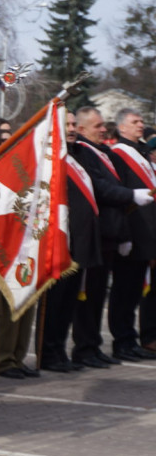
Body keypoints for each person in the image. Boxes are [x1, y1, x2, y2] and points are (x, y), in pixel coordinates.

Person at [71, 107, 141, 368]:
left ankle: (93, 346)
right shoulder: (84, 152)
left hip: (112, 233)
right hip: (96, 235)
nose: (104, 129)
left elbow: (118, 185)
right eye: (98, 126)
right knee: (87, 297)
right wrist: (131, 196)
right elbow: (101, 188)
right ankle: (84, 348)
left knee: (98, 294)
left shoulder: (105, 153)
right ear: (81, 129)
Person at [37, 110, 101, 372]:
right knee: (54, 303)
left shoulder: (80, 155)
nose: (73, 128)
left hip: (78, 243)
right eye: (68, 124)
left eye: (75, 124)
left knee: (68, 303)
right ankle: (48, 353)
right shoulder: (48, 156)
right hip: (57, 242)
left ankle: (59, 351)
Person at [106, 108, 156, 361]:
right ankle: (122, 341)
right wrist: (123, 235)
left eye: (141, 120)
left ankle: (130, 339)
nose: (141, 125)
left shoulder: (140, 153)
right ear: (122, 127)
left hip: (145, 235)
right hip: (131, 233)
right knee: (123, 291)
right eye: (135, 122)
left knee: (135, 290)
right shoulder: (119, 154)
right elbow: (120, 198)